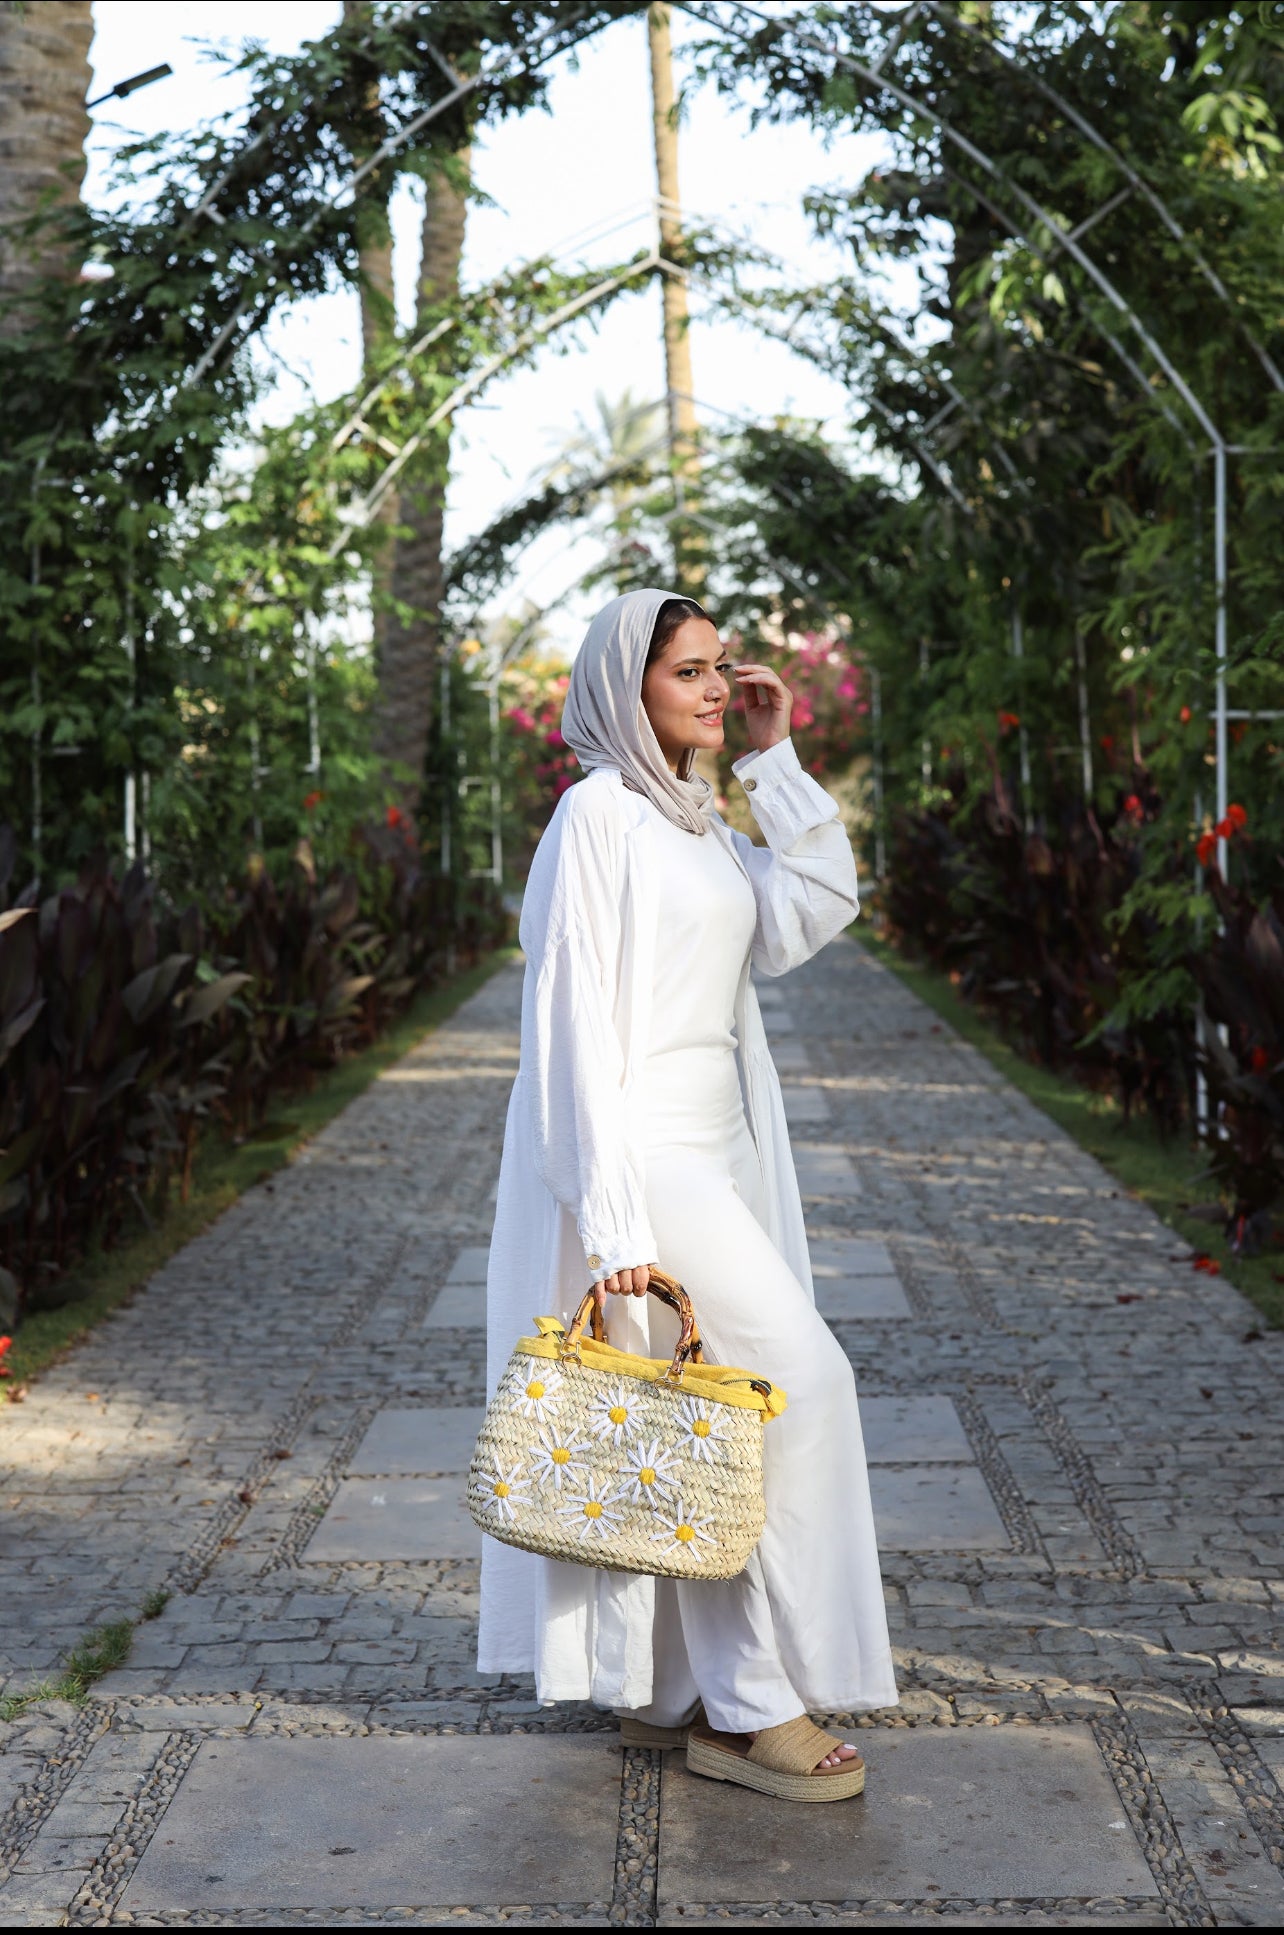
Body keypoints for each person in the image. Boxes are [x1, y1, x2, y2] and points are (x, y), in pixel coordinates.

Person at [479, 586, 897, 1802]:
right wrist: (611, 1224)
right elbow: (569, 1030)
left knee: (707, 1411)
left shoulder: (694, 819)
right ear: (627, 688)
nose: (718, 687)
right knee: (799, 1383)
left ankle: (678, 1694)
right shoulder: (596, 817)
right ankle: (755, 1703)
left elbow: (803, 914)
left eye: (724, 668)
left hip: (719, 1151)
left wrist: (775, 762)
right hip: (648, 1160)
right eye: (690, 672)